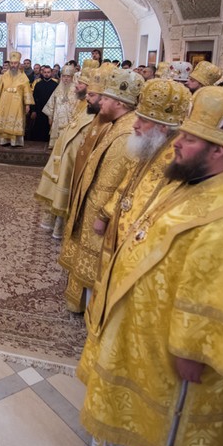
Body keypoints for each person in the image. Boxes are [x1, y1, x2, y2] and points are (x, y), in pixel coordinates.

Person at [78, 87, 223, 446]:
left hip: (174, 348)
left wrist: (194, 350)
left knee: (163, 423)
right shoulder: (188, 180)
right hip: (142, 328)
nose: (177, 145)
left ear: (218, 149)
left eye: (187, 138)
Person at [90, 78, 193, 288]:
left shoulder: (178, 158)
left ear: (163, 127)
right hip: (120, 229)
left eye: (143, 121)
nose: (135, 125)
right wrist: (106, 213)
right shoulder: (149, 143)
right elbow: (128, 181)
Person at [59, 68, 143, 312]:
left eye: (104, 98)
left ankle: (90, 307)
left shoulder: (126, 133)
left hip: (100, 210)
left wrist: (103, 215)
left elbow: (115, 182)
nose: (99, 102)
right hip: (93, 203)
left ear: (118, 102)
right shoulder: (117, 124)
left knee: (93, 258)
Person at [36, 68, 99, 240]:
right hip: (64, 155)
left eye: (79, 83)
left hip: (74, 161)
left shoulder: (93, 109)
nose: (75, 86)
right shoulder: (83, 102)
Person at [0, 52, 34, 147]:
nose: (13, 65)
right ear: (10, 64)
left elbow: (27, 91)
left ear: (19, 64)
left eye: (15, 63)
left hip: (17, 102)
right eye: (12, 63)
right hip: (4, 101)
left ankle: (15, 142)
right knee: (4, 120)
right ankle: (3, 140)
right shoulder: (4, 76)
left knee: (15, 121)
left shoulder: (24, 77)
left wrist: (27, 104)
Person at [42, 65, 80, 150]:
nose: (66, 79)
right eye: (64, 76)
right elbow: (51, 104)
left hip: (70, 119)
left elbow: (79, 106)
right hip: (57, 119)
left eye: (68, 76)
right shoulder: (58, 89)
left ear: (72, 77)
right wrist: (50, 117)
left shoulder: (76, 90)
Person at [28, 65, 57, 143]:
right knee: (39, 127)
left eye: (48, 72)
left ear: (51, 73)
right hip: (39, 109)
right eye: (45, 72)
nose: (46, 74)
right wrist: (33, 110)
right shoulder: (38, 84)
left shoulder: (55, 85)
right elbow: (33, 98)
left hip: (51, 110)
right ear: (42, 73)